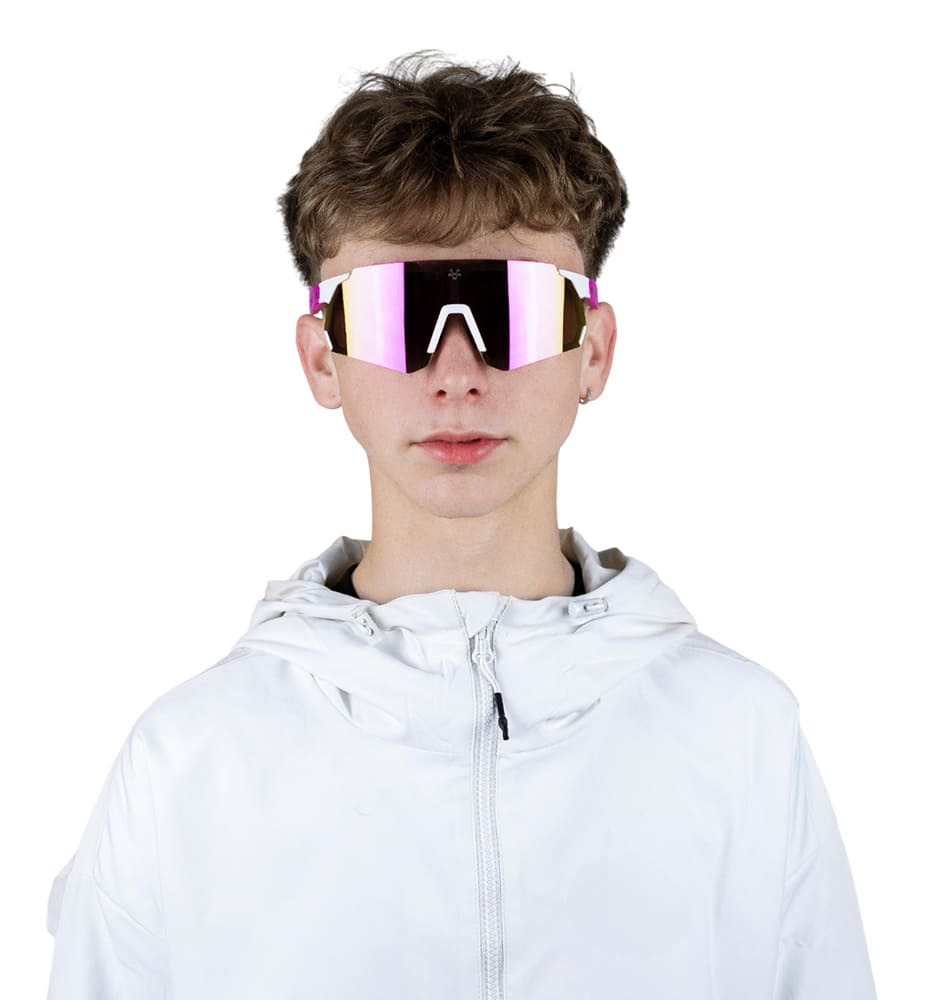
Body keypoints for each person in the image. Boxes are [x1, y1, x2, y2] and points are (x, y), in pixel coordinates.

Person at [45, 54, 877, 999]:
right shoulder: (190, 764)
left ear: (593, 350)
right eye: (394, 315)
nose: (455, 375)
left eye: (510, 311)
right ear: (321, 359)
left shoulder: (742, 738)